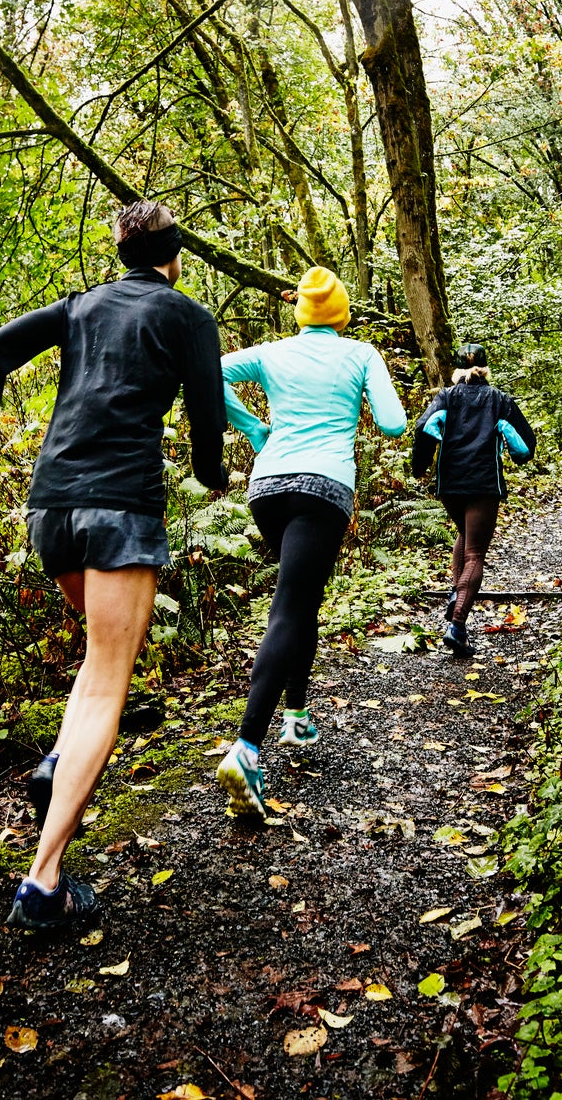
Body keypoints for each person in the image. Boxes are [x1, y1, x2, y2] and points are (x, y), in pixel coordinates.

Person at [0, 200, 228, 929]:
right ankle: (42, 883)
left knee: (96, 658)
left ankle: (58, 763)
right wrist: (214, 475)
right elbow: (208, 430)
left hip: (51, 510)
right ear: (174, 256)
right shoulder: (188, 317)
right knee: (110, 680)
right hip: (120, 509)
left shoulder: (79, 306)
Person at [214, 267, 406, 817]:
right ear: (342, 315)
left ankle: (296, 717)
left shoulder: (271, 353)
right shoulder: (361, 353)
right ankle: (247, 746)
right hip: (323, 489)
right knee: (291, 608)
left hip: (268, 488)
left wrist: (253, 427)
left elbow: (206, 372)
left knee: (303, 602)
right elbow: (392, 424)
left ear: (300, 314)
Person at [410, 344, 536, 657]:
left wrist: (419, 467)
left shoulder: (445, 397)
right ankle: (456, 624)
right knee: (476, 553)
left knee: (465, 537)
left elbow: (422, 430)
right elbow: (526, 445)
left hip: (450, 484)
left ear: (456, 370)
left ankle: (458, 602)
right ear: (485, 369)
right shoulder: (499, 400)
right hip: (483, 484)